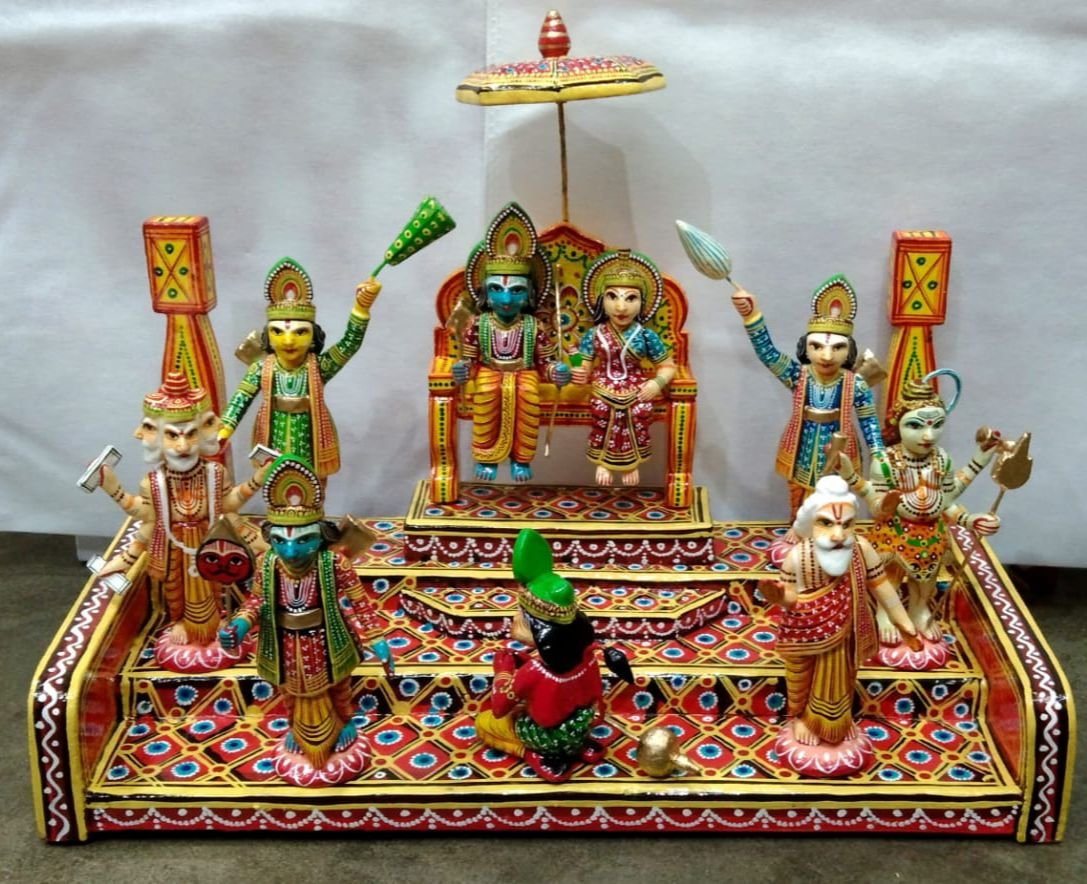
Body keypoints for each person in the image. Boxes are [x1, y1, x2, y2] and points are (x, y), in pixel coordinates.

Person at [219, 455, 393, 785]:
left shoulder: (334, 563)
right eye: (281, 542)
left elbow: (361, 604)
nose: (291, 552)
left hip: (328, 636)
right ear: (270, 538)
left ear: (321, 536)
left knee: (338, 683)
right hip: (283, 639)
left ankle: (346, 721)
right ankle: (294, 727)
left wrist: (378, 640)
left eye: (303, 541)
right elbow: (256, 601)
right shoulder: (269, 563)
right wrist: (240, 625)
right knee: (287, 686)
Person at [95, 372, 268, 669]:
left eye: (191, 434)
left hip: (211, 543)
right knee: (176, 588)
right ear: (154, 435)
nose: (183, 446)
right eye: (172, 435)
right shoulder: (154, 483)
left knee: (216, 584)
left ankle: (218, 621)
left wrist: (258, 479)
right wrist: (113, 488)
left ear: (205, 430)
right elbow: (144, 518)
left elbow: (229, 505)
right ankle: (180, 622)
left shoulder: (215, 474)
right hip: (173, 548)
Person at [761, 476, 920, 775]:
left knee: (843, 679)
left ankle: (839, 722)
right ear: (810, 523)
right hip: (805, 633)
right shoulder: (798, 556)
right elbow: (791, 597)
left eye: (847, 525)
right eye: (826, 524)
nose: (838, 535)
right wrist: (780, 597)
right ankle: (801, 719)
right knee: (802, 679)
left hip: (848, 631)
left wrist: (905, 625)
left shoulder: (861, 549)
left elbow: (882, 587)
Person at [839, 371, 1001, 644]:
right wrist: (861, 485)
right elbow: (875, 504)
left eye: (937, 425)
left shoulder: (941, 459)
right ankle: (884, 614)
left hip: (932, 534)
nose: (928, 435)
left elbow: (947, 501)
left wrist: (971, 519)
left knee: (925, 583)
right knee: (889, 578)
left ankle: (918, 609)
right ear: (897, 424)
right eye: (915, 426)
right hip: (894, 532)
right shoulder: (885, 462)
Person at [475, 529, 633, 783]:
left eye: (520, 615)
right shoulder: (589, 655)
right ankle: (580, 746)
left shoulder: (534, 671)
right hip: (582, 725)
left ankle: (537, 754)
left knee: (485, 724)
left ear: (535, 627)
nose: (514, 619)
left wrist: (503, 672)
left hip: (548, 735)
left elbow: (499, 707)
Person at [731, 274, 885, 516]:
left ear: (849, 351)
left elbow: (869, 421)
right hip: (802, 444)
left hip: (839, 447)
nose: (826, 356)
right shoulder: (798, 374)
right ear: (806, 347)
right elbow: (767, 353)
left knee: (836, 498)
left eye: (837, 348)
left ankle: (832, 533)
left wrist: (878, 453)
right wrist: (752, 316)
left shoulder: (855, 383)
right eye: (817, 346)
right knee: (799, 496)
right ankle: (799, 529)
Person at [219, 257, 381, 482]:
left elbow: (349, 344)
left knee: (312, 483)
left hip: (310, 437)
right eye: (278, 332)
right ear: (268, 336)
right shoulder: (261, 368)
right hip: (272, 435)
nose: (288, 341)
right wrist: (224, 430)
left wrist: (361, 309)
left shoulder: (319, 367)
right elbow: (240, 399)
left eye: (300, 332)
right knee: (273, 480)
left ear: (313, 336)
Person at [451, 202, 570, 482]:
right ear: (486, 294)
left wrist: (556, 371)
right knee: (488, 392)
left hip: (524, 373)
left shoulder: (533, 325)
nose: (506, 299)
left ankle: (521, 459)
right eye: (497, 290)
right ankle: (486, 458)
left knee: (527, 394)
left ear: (529, 295)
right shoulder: (478, 324)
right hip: (490, 371)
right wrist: (463, 369)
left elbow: (545, 362)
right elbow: (469, 360)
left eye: (516, 291)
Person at [570, 249, 675, 486]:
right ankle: (603, 461)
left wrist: (657, 383)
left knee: (638, 409)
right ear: (601, 300)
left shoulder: (646, 336)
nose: (621, 307)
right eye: (612, 297)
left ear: (642, 302)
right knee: (602, 410)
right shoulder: (594, 334)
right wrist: (577, 368)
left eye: (630, 298)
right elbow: (584, 366)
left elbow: (668, 366)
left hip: (636, 386)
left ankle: (632, 462)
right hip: (603, 386)